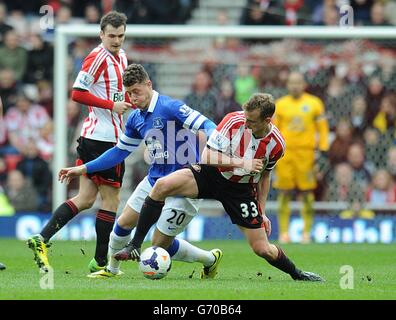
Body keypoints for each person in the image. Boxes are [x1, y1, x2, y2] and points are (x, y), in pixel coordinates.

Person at [110, 93, 324, 282]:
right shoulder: (233, 121)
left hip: (240, 191)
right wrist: (242, 163)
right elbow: (207, 156)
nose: (246, 123)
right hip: (212, 174)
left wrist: (262, 210)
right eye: (245, 117)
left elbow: (265, 176)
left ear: (267, 120)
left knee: (262, 249)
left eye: (251, 121)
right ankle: (135, 245)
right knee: (161, 186)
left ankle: (297, 273)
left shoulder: (277, 145)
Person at [58, 63, 223, 279]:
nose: (132, 98)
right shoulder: (136, 118)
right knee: (123, 223)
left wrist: (214, 147)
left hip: (186, 184)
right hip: (155, 179)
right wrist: (82, 168)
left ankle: (210, 259)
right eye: (128, 93)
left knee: (158, 245)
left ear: (149, 84)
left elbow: (207, 124)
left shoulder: (170, 107)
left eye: (136, 91)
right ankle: (112, 270)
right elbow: (119, 151)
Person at [27, 11, 132, 273]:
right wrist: (111, 105)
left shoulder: (121, 56)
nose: (116, 40)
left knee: (85, 198)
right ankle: (100, 262)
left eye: (120, 35)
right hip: (104, 141)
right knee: (111, 201)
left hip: (95, 137)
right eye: (111, 36)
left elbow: (114, 93)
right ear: (101, 34)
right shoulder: (97, 57)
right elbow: (76, 93)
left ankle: (41, 238)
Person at [273, 72, 329, 244]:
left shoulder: (314, 103)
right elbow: (274, 130)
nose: (295, 86)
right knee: (284, 192)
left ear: (304, 84)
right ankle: (283, 233)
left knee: (306, 192)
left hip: (306, 154)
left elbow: (323, 128)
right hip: (285, 154)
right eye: (292, 82)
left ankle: (306, 232)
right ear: (287, 84)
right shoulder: (280, 105)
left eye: (298, 82)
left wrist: (323, 149)